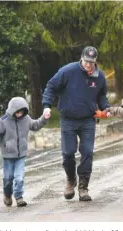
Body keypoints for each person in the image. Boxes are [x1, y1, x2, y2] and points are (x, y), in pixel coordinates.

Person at [42, 46, 109, 201]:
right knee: (67, 153)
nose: (88, 65)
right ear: (82, 58)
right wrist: (47, 106)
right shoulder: (68, 71)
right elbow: (51, 87)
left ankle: (83, 187)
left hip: (88, 120)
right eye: (86, 61)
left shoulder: (99, 77)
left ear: (95, 61)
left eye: (92, 62)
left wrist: (106, 108)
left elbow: (102, 96)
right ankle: (71, 179)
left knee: (87, 153)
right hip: (68, 119)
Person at [0, 97, 48, 207]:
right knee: (8, 178)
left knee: (19, 178)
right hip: (7, 156)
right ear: (12, 110)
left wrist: (44, 118)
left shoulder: (26, 119)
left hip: (21, 155)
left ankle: (19, 197)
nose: (20, 113)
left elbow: (36, 125)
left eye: (22, 111)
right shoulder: (3, 121)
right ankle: (7, 194)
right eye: (17, 111)